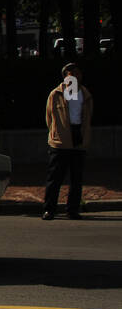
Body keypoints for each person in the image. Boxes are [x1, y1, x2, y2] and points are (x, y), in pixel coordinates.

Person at [43, 63, 93, 220]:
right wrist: (56, 134)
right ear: (65, 77)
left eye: (77, 74)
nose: (75, 77)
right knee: (55, 178)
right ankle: (49, 209)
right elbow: (49, 118)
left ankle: (72, 209)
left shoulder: (85, 94)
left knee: (76, 178)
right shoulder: (55, 94)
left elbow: (88, 117)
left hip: (78, 138)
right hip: (60, 142)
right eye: (71, 74)